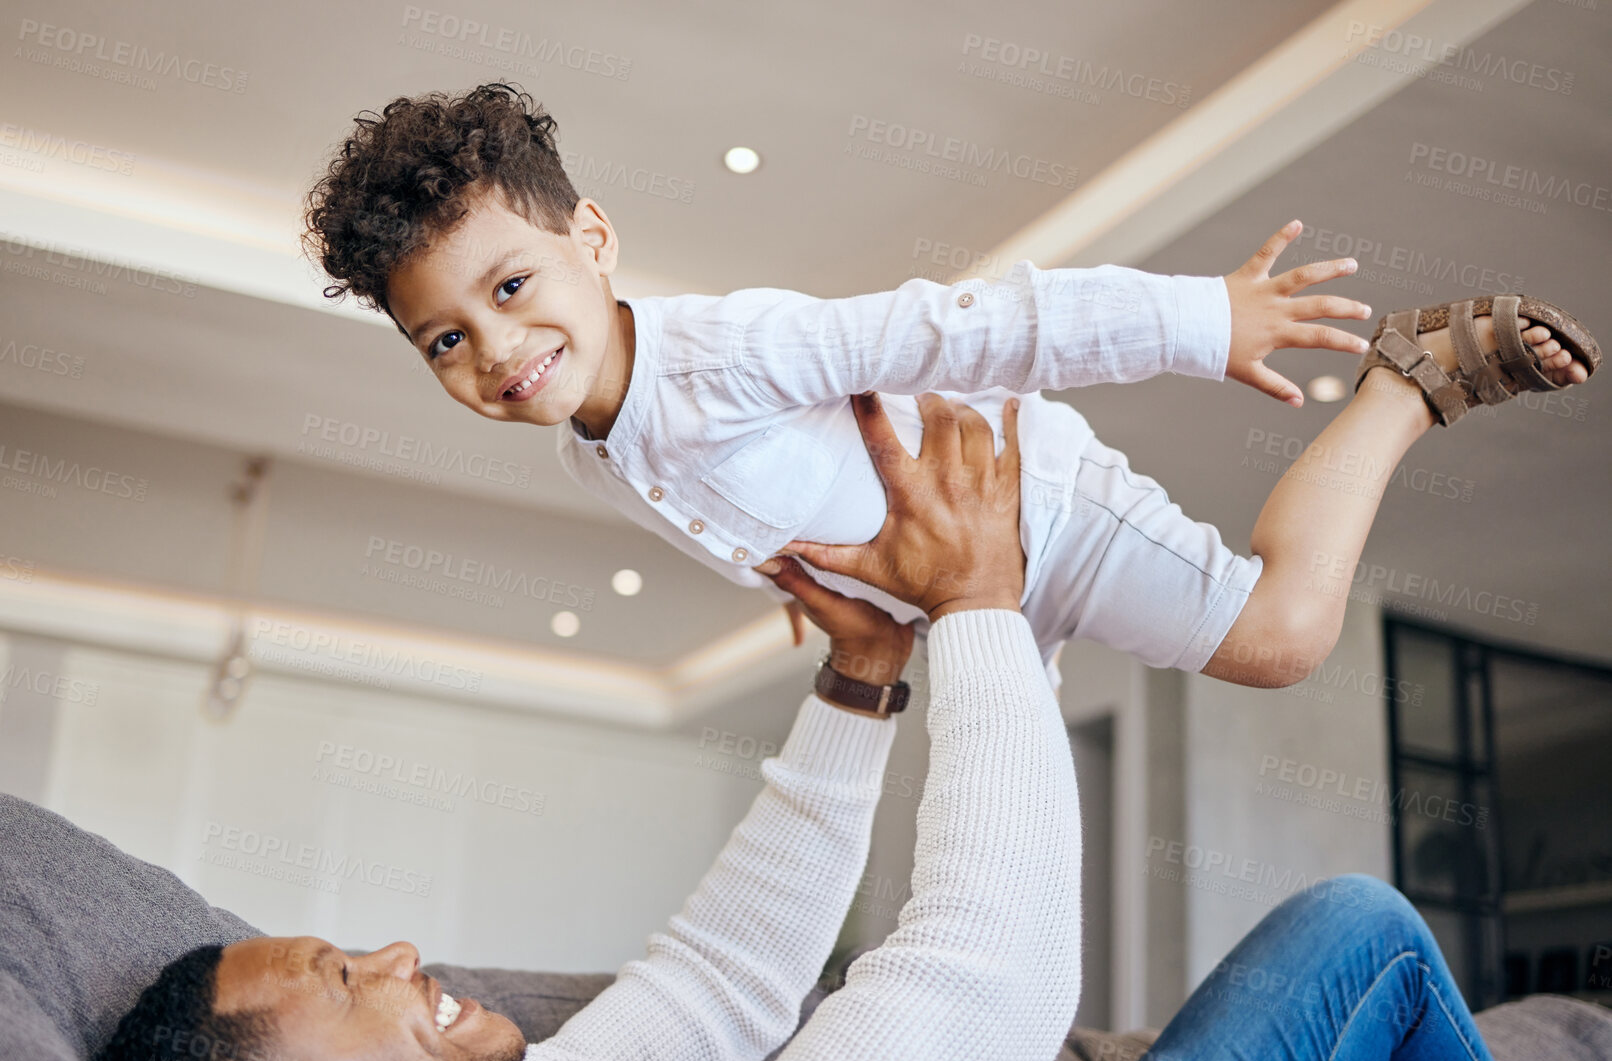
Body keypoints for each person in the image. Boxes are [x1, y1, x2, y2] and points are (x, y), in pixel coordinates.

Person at [92, 392, 1603, 1061]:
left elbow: (717, 984)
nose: (401, 950)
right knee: (1366, 932)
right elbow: (991, 975)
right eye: (349, 984)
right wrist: (981, 609)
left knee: (1352, 928)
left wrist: (867, 678)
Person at [299, 82, 1596, 693]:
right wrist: (796, 586)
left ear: (592, 238)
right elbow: (721, 502)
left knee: (1276, 642)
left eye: (512, 287)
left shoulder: (729, 350)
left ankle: (1409, 380)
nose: (495, 349)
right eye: (445, 340)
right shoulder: (593, 442)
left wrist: (1203, 317)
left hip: (1041, 508)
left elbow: (966, 326)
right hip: (954, 587)